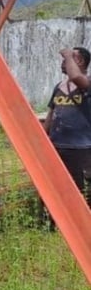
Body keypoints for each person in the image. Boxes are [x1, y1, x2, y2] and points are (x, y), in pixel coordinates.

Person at [43, 47, 91, 208]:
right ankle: (51, 223)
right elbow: (51, 113)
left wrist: (68, 54)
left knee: (79, 188)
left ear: (80, 61)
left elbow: (77, 77)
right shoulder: (59, 87)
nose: (64, 62)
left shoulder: (88, 83)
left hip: (80, 148)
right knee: (53, 187)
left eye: (70, 58)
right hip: (57, 146)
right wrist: (44, 138)